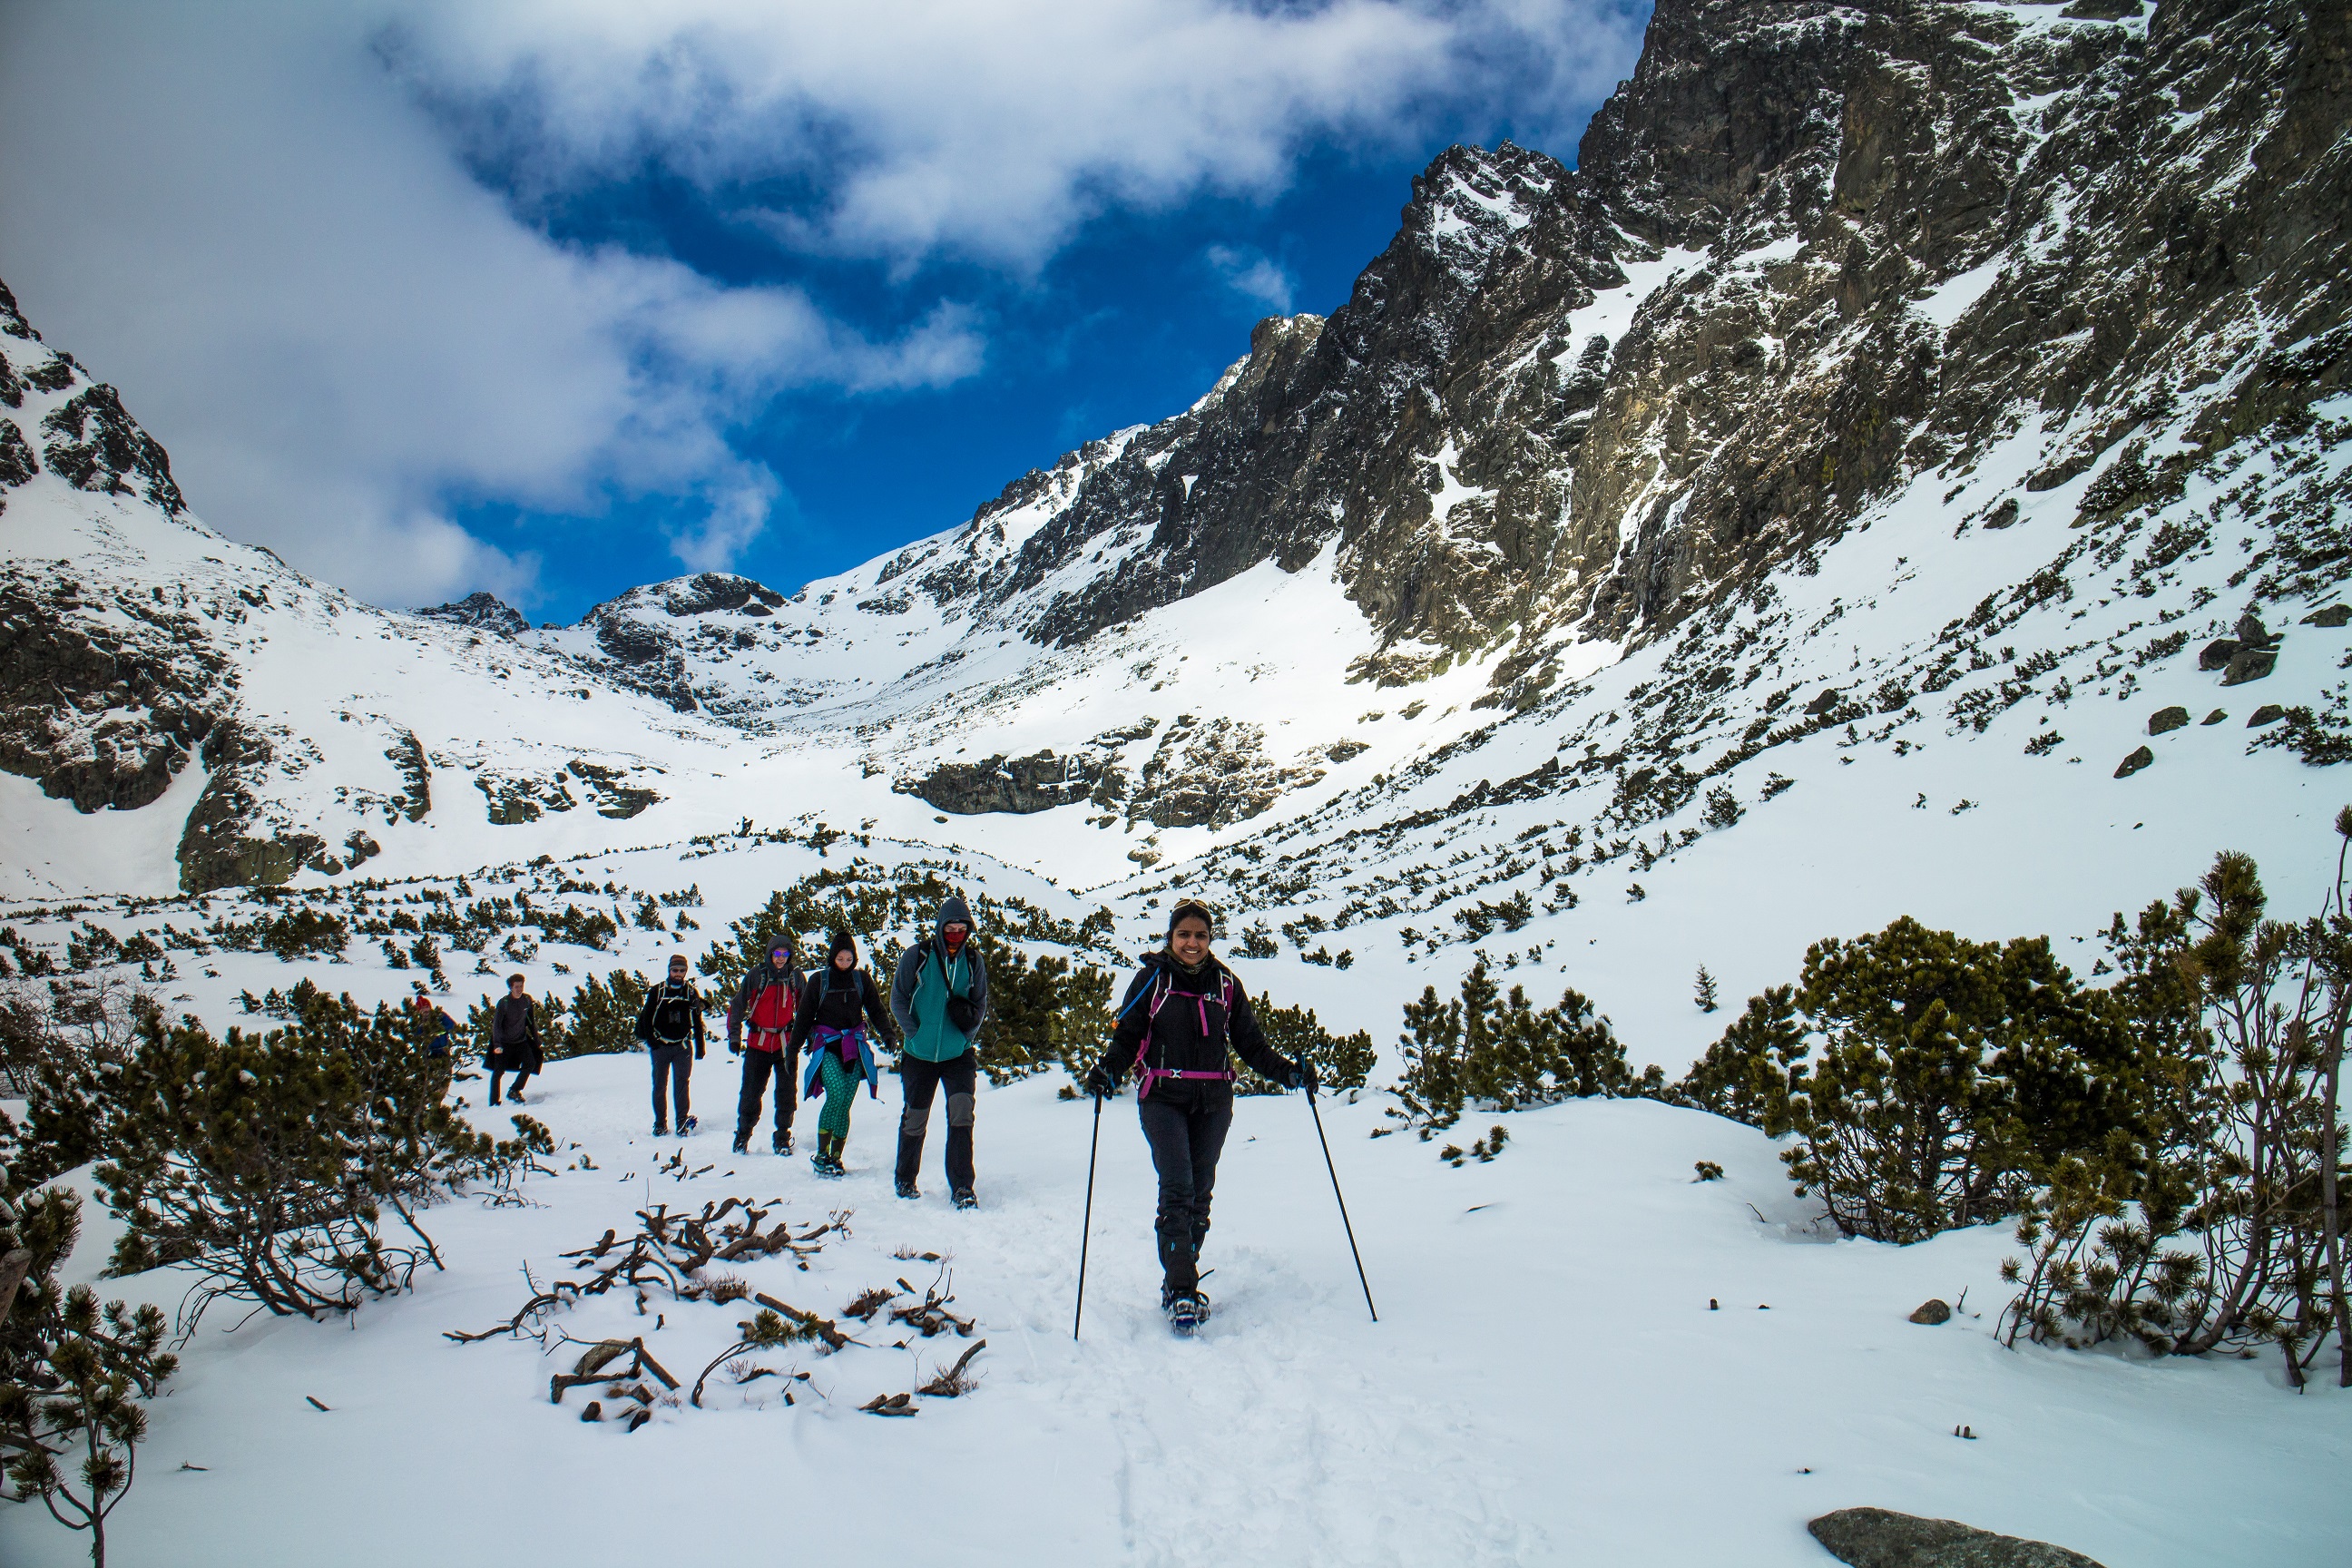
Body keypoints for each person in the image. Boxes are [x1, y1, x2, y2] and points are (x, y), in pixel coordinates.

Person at [1083, 899, 1309, 1332]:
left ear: (1210, 940)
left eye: (1200, 935)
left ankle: (1179, 1277)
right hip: (1162, 1097)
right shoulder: (1152, 980)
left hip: (1214, 1100)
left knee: (1200, 1193)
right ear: (1171, 937)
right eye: (1184, 934)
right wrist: (1108, 1072)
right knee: (1178, 1188)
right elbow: (1128, 1037)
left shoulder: (1225, 984)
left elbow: (1250, 1044)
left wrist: (1288, 1073)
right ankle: (1182, 1291)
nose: (1192, 942)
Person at [889, 895, 988, 1207]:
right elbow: (898, 999)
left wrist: (964, 1038)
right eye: (951, 927)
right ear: (940, 927)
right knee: (915, 1118)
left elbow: (980, 1003)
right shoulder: (916, 957)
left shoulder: (973, 962)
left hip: (958, 1057)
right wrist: (915, 1033)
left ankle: (962, 1187)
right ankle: (905, 1179)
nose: (956, 934)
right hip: (919, 1056)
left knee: (961, 1116)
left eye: (962, 928)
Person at [789, 930, 897, 1177]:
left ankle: (836, 1157)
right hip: (827, 1046)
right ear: (832, 958)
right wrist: (793, 1049)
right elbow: (804, 1017)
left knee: (845, 1104)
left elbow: (876, 1010)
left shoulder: (861, 981)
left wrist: (888, 1033)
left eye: (849, 960)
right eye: (840, 960)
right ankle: (821, 1155)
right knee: (836, 1094)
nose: (845, 964)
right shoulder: (819, 981)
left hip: (854, 1048)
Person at [727, 942, 803, 1155]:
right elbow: (738, 1004)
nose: (780, 958)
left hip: (785, 1045)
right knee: (751, 1092)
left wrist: (810, 1036)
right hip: (758, 1044)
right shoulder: (757, 975)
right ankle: (743, 1134)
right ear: (769, 954)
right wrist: (734, 1036)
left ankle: (782, 1136)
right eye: (776, 953)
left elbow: (806, 1008)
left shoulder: (795, 977)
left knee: (787, 1093)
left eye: (785, 953)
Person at [634, 954, 707, 1136]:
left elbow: (697, 1020)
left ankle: (682, 1122)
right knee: (660, 1086)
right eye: (675, 970)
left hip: (683, 1047)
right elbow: (647, 1017)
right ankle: (660, 1124)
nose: (678, 974)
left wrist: (700, 1046)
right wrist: (652, 1042)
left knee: (682, 1085)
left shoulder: (690, 992)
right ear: (669, 970)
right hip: (661, 1046)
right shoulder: (657, 991)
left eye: (682, 970)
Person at [486, 973, 543, 1105]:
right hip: (504, 1044)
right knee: (498, 1072)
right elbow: (497, 1025)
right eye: (516, 986)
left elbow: (531, 1021)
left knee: (530, 1063)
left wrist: (536, 1039)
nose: (519, 989)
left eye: (521, 986)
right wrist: (497, 1044)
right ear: (511, 987)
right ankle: (494, 1102)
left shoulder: (527, 1000)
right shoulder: (504, 1003)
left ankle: (515, 1089)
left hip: (521, 1041)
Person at [408, 985, 457, 1059]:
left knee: (446, 1069)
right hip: (429, 1054)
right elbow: (416, 1037)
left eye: (427, 1007)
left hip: (444, 1051)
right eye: (423, 1008)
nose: (426, 1010)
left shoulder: (439, 1015)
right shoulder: (417, 1022)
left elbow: (452, 1025)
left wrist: (441, 1030)